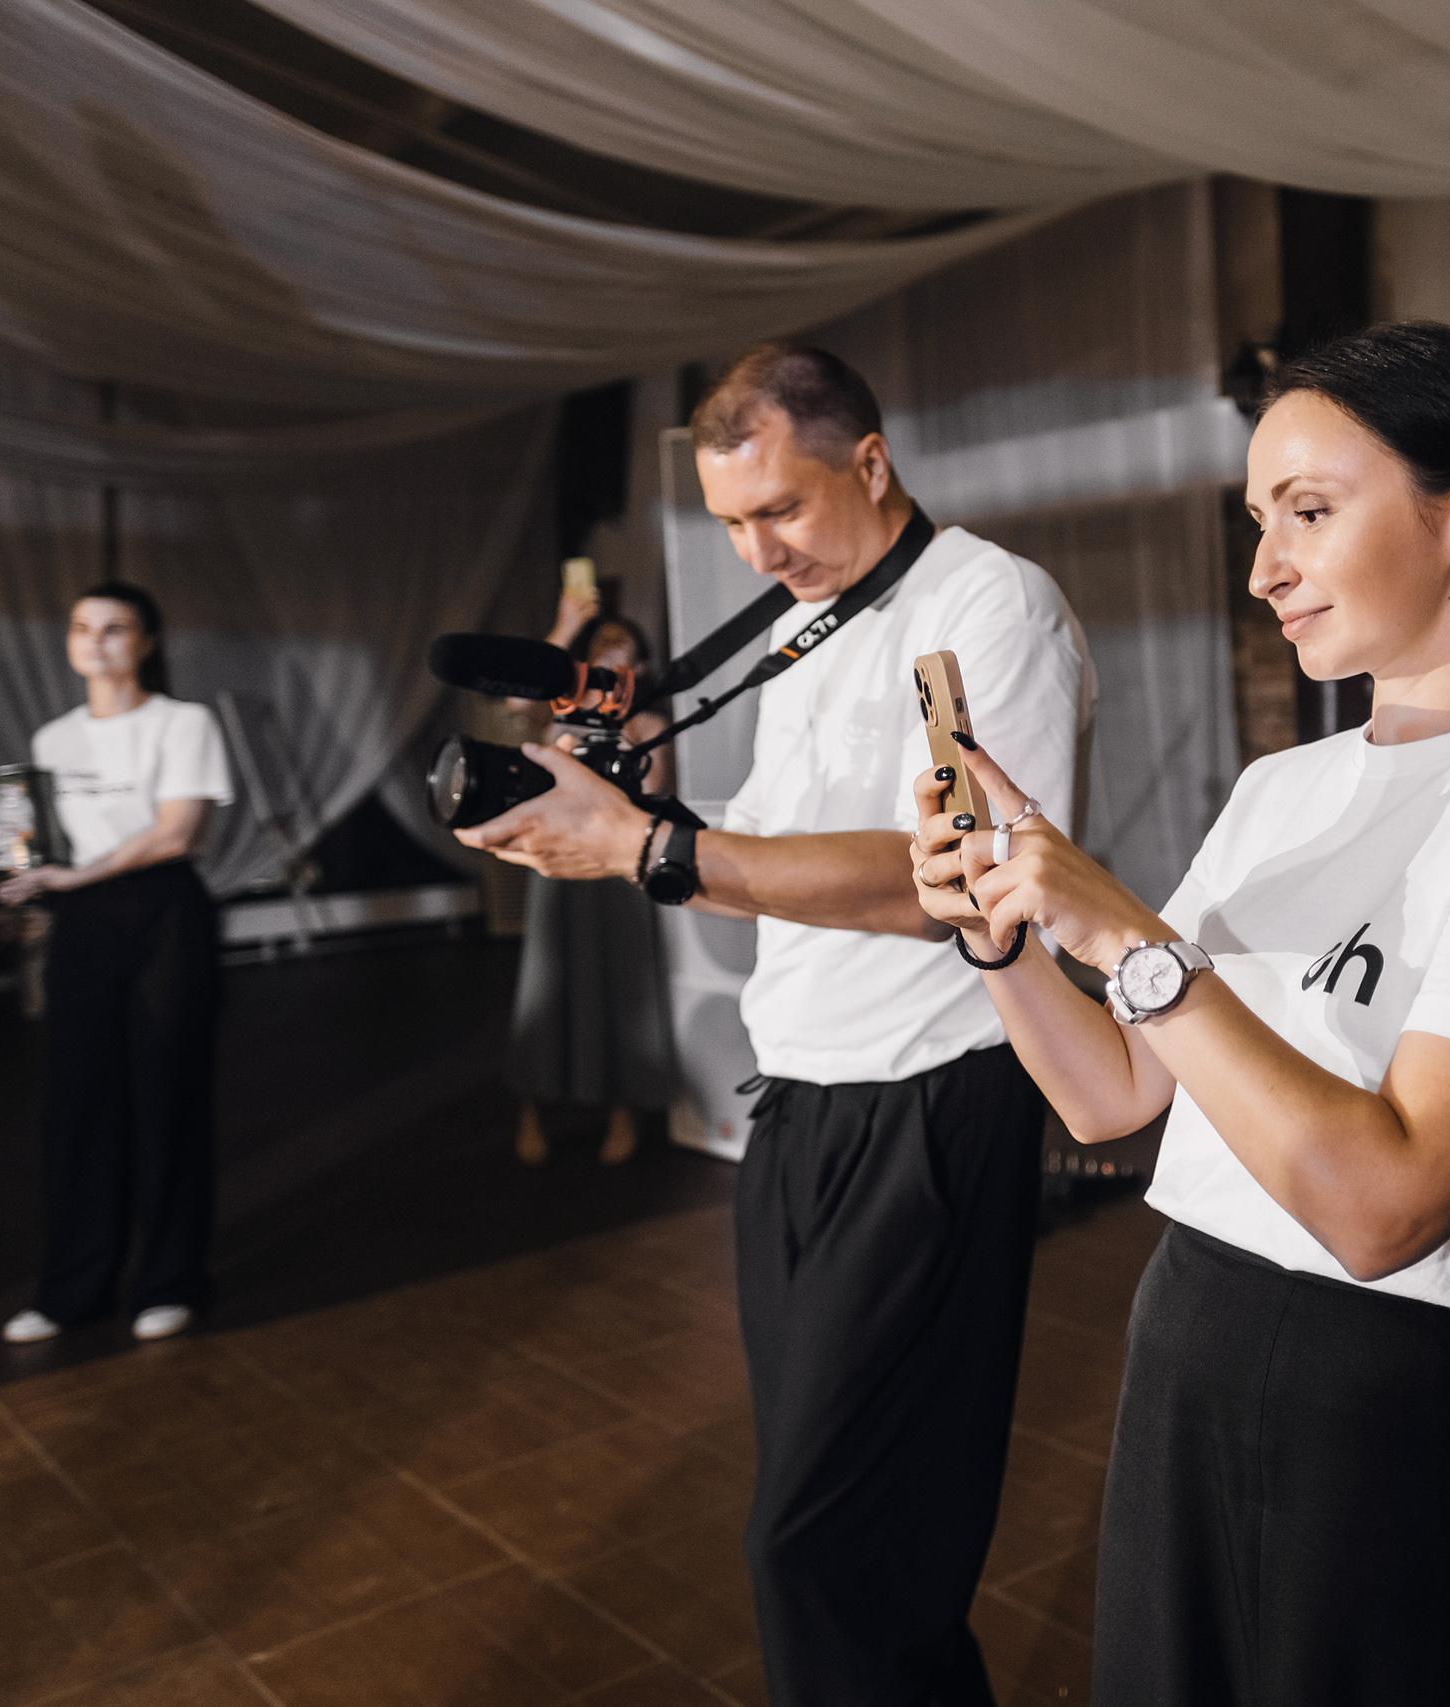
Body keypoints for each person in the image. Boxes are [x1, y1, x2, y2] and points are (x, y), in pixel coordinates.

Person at [907, 322, 1450, 1702]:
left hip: (1385, 1396)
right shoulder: (1281, 787)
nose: (1263, 569)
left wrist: (1130, 934)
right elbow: (1110, 1095)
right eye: (1260, 522)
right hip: (1186, 1326)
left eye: (1309, 512)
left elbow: (1386, 1206)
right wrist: (1001, 932)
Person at [458, 344, 1094, 1705]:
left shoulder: (991, 605)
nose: (757, 550)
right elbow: (763, 834)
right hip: (798, 1105)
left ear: (869, 462)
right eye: (732, 522)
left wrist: (660, 852)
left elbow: (965, 885)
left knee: (820, 1545)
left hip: (932, 1096)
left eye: (782, 509)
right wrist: (599, 826)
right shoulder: (812, 624)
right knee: (866, 1543)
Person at [0, 582, 233, 1347]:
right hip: (85, 919)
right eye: (81, 628)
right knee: (77, 1103)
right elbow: (51, 844)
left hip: (166, 911)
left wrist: (73, 876)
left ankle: (169, 1281)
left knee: (167, 1094)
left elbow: (175, 833)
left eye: (114, 627)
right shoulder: (51, 740)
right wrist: (28, 873)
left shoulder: (184, 721)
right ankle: (72, 1289)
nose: (94, 642)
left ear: (149, 641)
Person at [502, 595, 675, 1167]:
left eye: (623, 645)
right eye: (601, 644)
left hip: (620, 866)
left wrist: (620, 725)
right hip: (556, 863)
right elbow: (515, 696)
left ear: (641, 666)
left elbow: (656, 796)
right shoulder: (560, 711)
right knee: (547, 982)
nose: (612, 652)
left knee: (625, 982)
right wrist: (567, 624)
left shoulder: (649, 722)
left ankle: (625, 1107)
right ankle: (531, 1106)